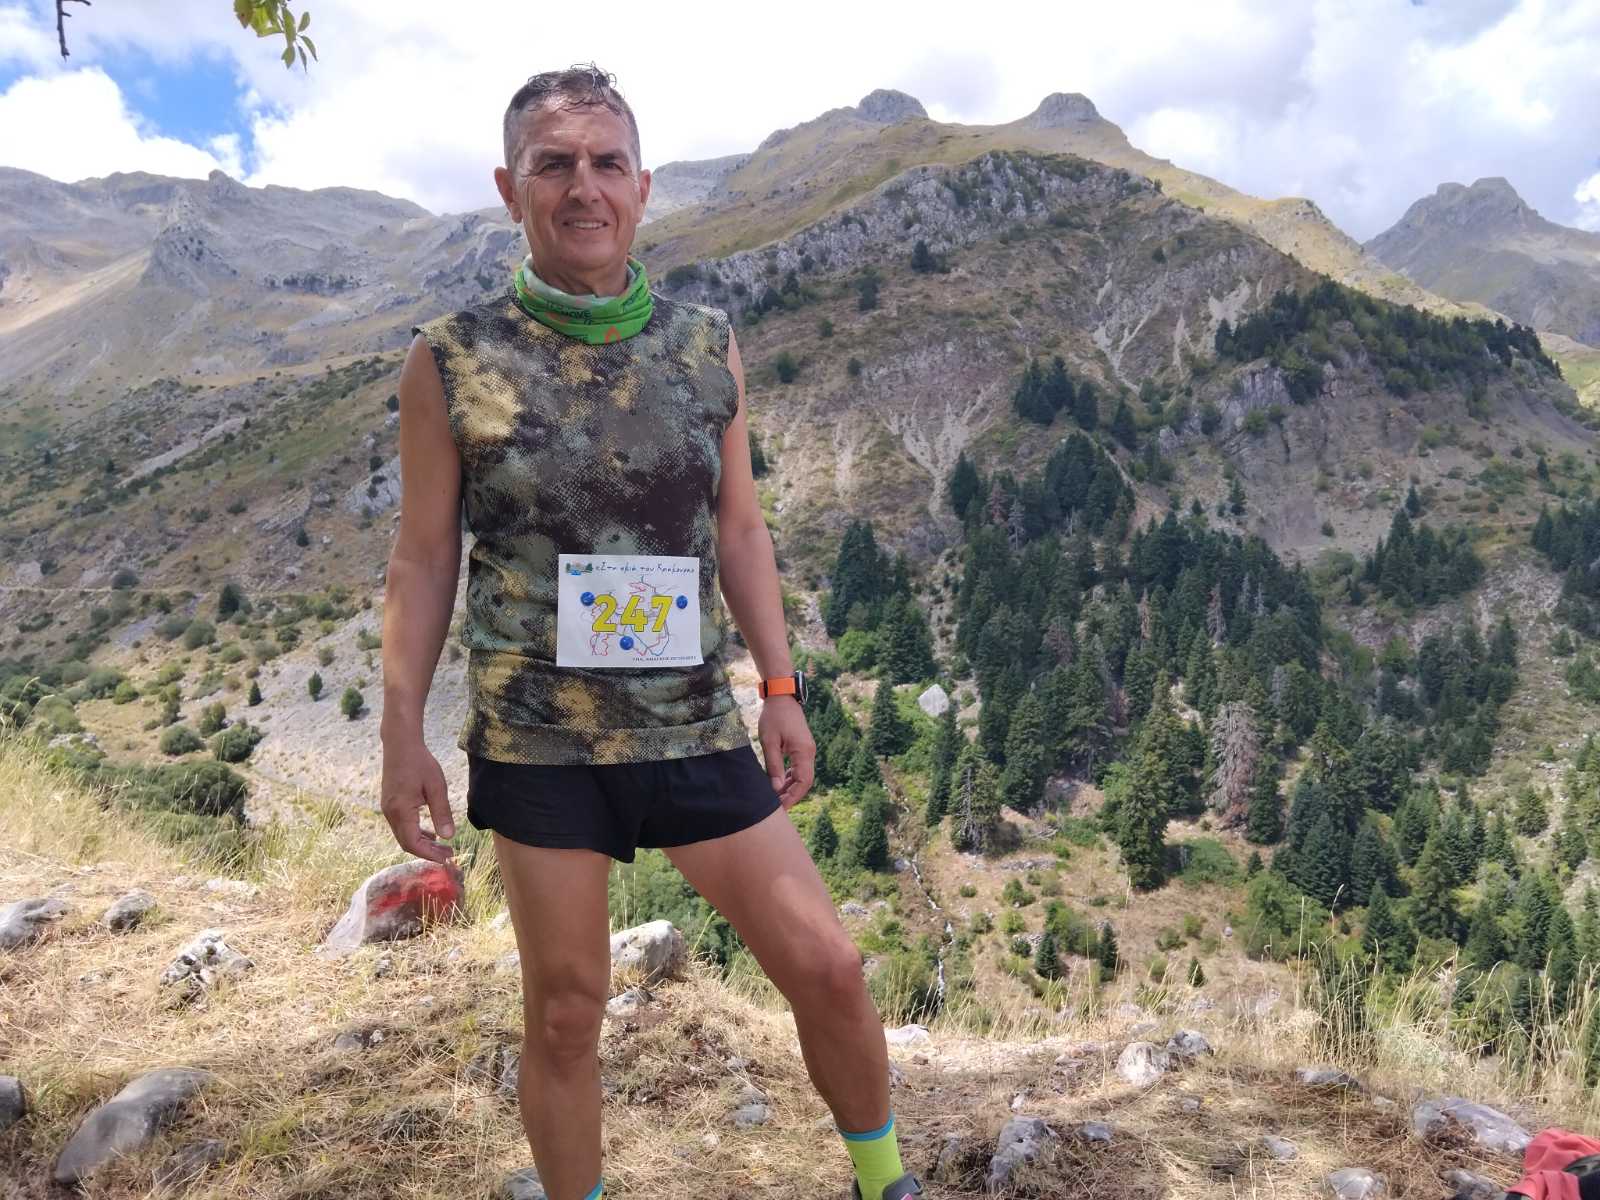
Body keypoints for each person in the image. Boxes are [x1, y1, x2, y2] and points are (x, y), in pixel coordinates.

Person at [378, 63, 922, 1200]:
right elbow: (424, 558)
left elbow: (740, 528)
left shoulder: (704, 344)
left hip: (691, 724)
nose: (583, 186)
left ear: (642, 187)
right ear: (509, 189)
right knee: (566, 1013)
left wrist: (779, 688)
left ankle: (886, 1184)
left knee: (829, 966)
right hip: (539, 741)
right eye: (553, 165)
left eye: (606, 163)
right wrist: (400, 733)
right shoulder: (450, 356)